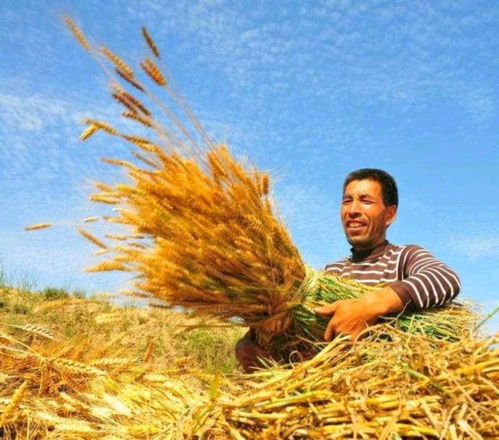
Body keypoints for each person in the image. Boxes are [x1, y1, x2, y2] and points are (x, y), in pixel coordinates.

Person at [236, 168, 461, 372]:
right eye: (347, 201)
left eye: (365, 201)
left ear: (389, 214)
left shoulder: (404, 256)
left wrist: (368, 306)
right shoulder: (330, 274)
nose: (353, 210)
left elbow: (445, 278)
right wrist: (258, 344)